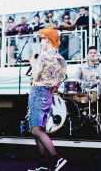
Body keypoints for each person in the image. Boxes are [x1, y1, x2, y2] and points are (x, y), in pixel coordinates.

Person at [28, 28, 67, 171]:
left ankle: (55, 158)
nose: (40, 42)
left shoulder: (43, 56)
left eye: (42, 39)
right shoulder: (61, 59)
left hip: (38, 91)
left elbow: (35, 76)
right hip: (47, 94)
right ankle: (43, 164)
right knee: (37, 128)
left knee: (35, 130)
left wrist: (33, 62)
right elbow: (60, 79)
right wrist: (50, 91)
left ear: (47, 40)